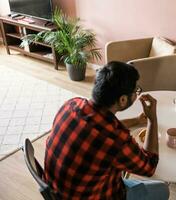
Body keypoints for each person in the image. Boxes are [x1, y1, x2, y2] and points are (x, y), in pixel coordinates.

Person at [44, 61, 169, 199]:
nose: (137, 94)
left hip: (56, 192)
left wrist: (137, 120)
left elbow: (99, 127)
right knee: (163, 190)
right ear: (122, 99)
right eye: (136, 91)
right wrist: (152, 119)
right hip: (98, 196)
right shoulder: (117, 140)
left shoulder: (71, 104)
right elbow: (150, 166)